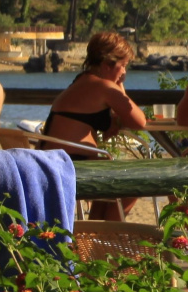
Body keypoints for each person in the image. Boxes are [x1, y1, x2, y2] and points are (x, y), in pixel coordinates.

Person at [43, 31, 150, 221]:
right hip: (71, 166)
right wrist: (119, 86)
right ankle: (111, 234)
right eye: (123, 66)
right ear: (107, 64)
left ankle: (97, 235)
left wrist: (111, 120)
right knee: (138, 182)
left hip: (53, 161)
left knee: (109, 182)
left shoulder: (82, 80)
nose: (124, 72)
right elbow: (139, 121)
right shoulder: (104, 87)